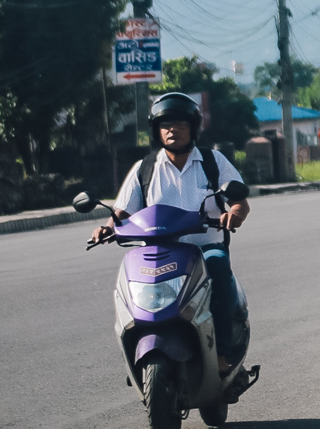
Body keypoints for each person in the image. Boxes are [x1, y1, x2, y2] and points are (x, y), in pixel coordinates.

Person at [106, 92, 251, 374]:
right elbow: (121, 213)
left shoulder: (213, 162)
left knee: (219, 265)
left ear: (193, 127)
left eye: (181, 124)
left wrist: (232, 215)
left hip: (204, 249)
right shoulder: (144, 169)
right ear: (157, 131)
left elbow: (239, 202)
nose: (173, 130)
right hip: (159, 252)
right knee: (130, 278)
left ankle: (222, 352)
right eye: (166, 125)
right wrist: (106, 228)